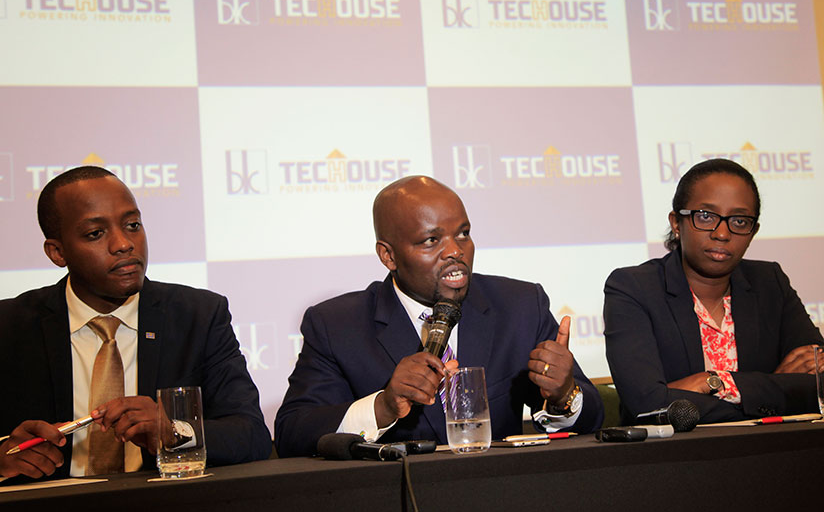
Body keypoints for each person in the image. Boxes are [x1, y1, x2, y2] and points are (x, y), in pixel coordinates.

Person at [275, 175, 603, 457]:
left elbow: (593, 420)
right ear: (388, 255)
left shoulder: (519, 306)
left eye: (462, 234)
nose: (455, 251)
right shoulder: (336, 325)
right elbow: (293, 434)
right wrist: (384, 406)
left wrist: (564, 395)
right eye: (432, 240)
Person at [0, 166, 271, 483]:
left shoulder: (198, 316)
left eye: (132, 225)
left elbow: (251, 436)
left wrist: (173, 431)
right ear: (57, 252)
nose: (123, 244)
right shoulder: (10, 327)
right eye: (95, 234)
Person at [604, 158, 823, 424]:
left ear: (753, 232)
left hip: (769, 453)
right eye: (706, 216)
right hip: (672, 458)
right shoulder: (634, 288)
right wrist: (772, 391)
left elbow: (818, 385)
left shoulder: (769, 283)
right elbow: (647, 403)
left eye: (740, 221)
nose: (722, 233)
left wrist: (713, 382)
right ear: (677, 223)